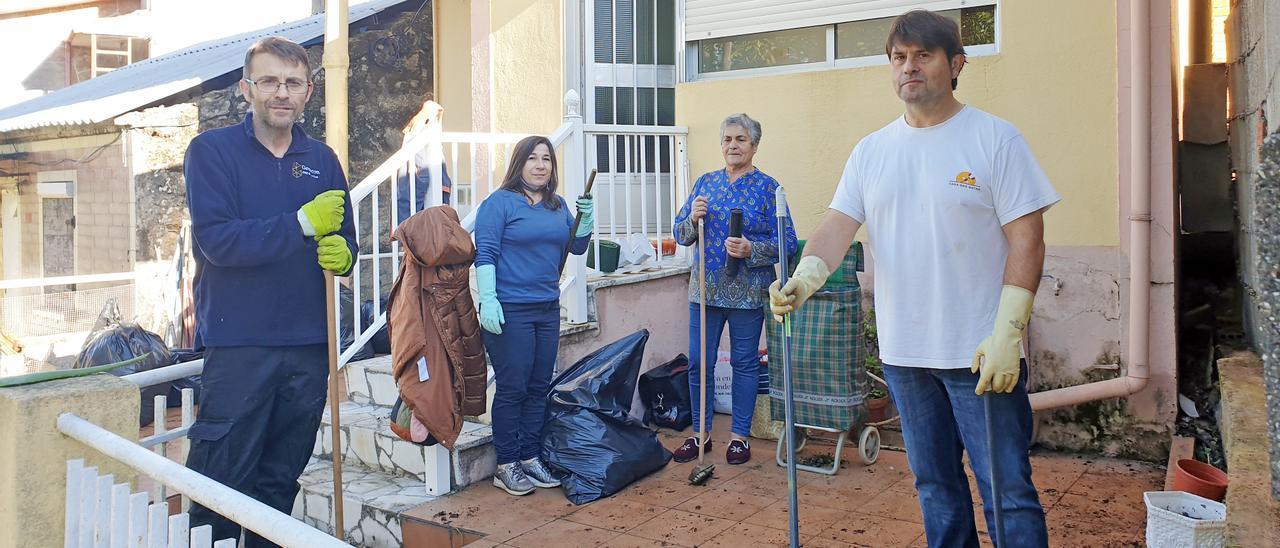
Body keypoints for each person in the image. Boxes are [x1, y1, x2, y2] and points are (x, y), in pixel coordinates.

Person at [769, 10, 1059, 547]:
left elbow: (1028, 239)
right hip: (905, 357)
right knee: (935, 486)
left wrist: (1006, 334)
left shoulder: (995, 140)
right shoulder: (872, 150)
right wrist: (805, 276)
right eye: (899, 57)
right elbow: (837, 227)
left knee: (1006, 490)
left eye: (924, 55)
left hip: (980, 354)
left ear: (956, 65)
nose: (909, 67)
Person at [183, 36, 357, 546]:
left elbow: (344, 234)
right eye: (269, 81)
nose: (281, 92)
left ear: (308, 92)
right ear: (246, 88)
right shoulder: (212, 152)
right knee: (221, 481)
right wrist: (301, 223)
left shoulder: (321, 158)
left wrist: (344, 254)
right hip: (241, 346)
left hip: (306, 345)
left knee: (280, 479)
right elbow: (217, 242)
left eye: (293, 83)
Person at [669, 113, 797, 466]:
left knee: (743, 363)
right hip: (705, 293)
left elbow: (786, 242)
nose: (732, 146)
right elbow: (680, 235)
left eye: (740, 139)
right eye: (727, 139)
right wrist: (692, 219)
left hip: (748, 292)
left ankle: (739, 437)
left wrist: (751, 250)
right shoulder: (705, 184)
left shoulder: (770, 188)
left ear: (754, 145)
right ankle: (701, 435)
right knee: (698, 363)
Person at [474, 135, 593, 495]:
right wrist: (488, 299)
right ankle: (507, 463)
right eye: (533, 158)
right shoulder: (499, 204)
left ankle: (529, 457)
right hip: (509, 310)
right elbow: (486, 254)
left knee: (539, 386)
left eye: (547, 159)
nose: (541, 165)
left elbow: (578, 246)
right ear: (519, 163)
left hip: (546, 308)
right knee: (513, 388)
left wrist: (584, 220)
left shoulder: (557, 206)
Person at [396, 99, 453, 220]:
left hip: (431, 192)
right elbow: (421, 178)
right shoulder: (416, 138)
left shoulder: (429, 137)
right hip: (420, 198)